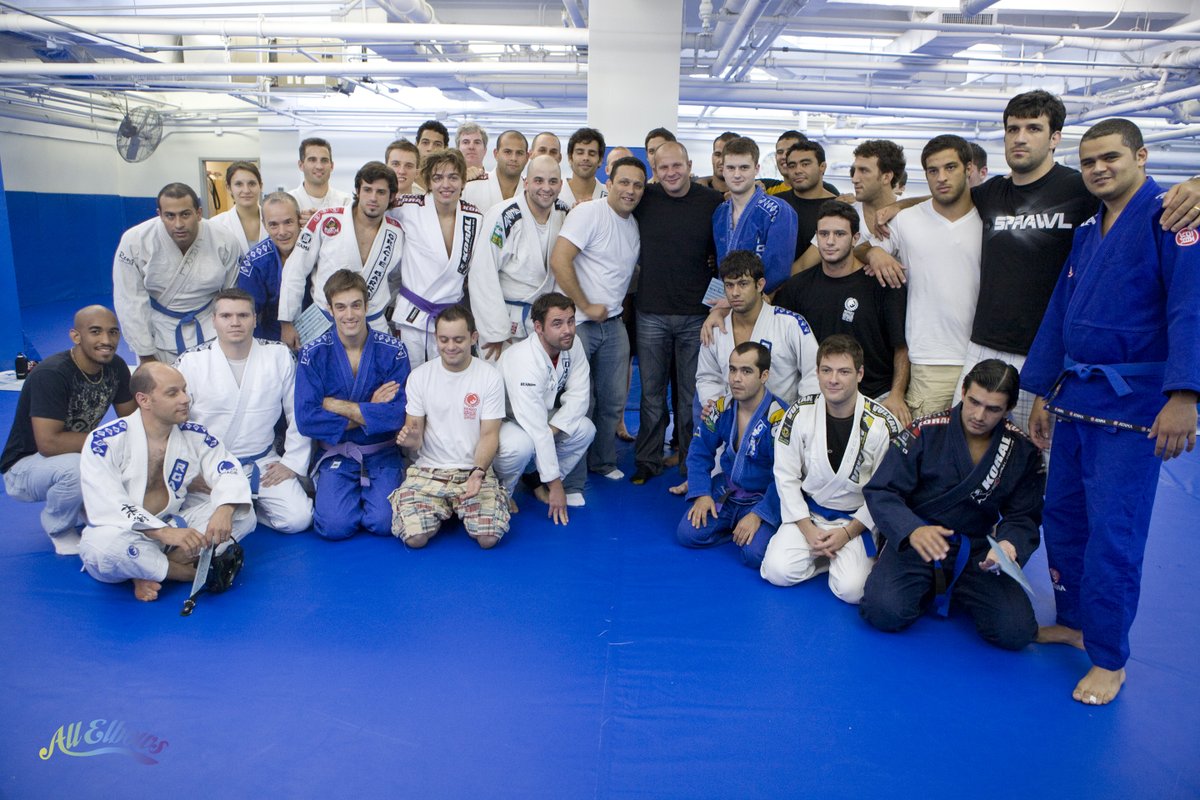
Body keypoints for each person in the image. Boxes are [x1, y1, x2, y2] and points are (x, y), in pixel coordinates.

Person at [1022, 118, 1200, 706]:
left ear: (1142, 157)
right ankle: (1074, 621)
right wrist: (1045, 388)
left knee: (1114, 536)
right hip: (1077, 399)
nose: (1098, 168)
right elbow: (1058, 312)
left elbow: (1189, 309)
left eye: (1110, 158)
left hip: (1136, 407)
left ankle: (1109, 657)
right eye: (1089, 160)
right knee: (1065, 521)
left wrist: (1184, 395)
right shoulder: (1087, 232)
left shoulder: (1173, 219)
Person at [859, 360, 1045, 651]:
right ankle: (938, 583)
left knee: (1016, 632)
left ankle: (952, 584)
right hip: (921, 540)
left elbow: (1023, 515)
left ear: (1008, 409)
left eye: (993, 409)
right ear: (963, 391)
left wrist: (1009, 545)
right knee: (883, 611)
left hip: (977, 550)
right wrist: (911, 530)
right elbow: (882, 490)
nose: (979, 415)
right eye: (974, 402)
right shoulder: (924, 431)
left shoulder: (1020, 451)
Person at [77, 362, 255, 602]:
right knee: (106, 549)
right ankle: (183, 573)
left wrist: (225, 508)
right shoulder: (105, 440)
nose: (185, 399)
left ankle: (147, 570)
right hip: (123, 532)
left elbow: (226, 469)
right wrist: (161, 533)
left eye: (184, 390)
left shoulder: (194, 433)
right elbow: (107, 501)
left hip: (172, 526)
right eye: (173, 393)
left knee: (243, 515)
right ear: (144, 400)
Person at [761, 335, 900, 602]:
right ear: (817, 372)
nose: (833, 379)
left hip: (854, 521)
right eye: (826, 370)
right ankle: (827, 558)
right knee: (777, 571)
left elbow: (887, 490)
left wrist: (848, 533)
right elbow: (785, 475)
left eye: (843, 371)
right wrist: (807, 528)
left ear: (859, 374)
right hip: (809, 516)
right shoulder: (799, 413)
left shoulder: (883, 424)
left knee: (853, 591)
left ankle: (835, 558)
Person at [174, 289, 313, 535]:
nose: (235, 322)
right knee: (205, 526)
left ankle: (248, 504)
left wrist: (291, 462)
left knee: (298, 519)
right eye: (226, 316)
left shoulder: (278, 355)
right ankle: (243, 503)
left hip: (260, 461)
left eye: (243, 315)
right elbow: (172, 421)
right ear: (214, 320)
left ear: (255, 319)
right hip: (209, 466)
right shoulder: (191, 362)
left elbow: (298, 411)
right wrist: (189, 471)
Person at [1, 306, 136, 555]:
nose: (106, 340)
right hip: (25, 467)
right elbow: (49, 443)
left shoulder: (115, 367)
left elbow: (132, 421)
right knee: (76, 468)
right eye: (95, 332)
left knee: (134, 450)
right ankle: (59, 528)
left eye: (113, 332)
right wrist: (111, 444)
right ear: (76, 336)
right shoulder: (52, 374)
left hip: (76, 452)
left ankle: (88, 506)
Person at [630, 141, 723, 486]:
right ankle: (647, 460)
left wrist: (713, 305)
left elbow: (723, 260)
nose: (670, 173)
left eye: (676, 166)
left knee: (690, 397)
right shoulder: (646, 200)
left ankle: (690, 462)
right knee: (651, 395)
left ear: (689, 164)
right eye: (662, 168)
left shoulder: (712, 203)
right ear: (655, 170)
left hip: (696, 316)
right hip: (651, 312)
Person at [868, 135, 980, 418]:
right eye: (933, 171)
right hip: (930, 358)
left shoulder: (989, 215)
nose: (942, 177)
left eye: (950, 168)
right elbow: (862, 245)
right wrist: (873, 254)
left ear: (968, 169)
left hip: (984, 354)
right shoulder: (907, 220)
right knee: (929, 451)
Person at [550, 155, 644, 484]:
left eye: (637, 185)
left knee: (614, 399)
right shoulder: (589, 213)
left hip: (614, 324)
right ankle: (570, 472)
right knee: (579, 400)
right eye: (624, 182)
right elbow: (559, 260)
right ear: (610, 182)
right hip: (579, 324)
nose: (630, 190)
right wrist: (585, 305)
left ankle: (602, 462)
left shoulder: (633, 226)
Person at [295, 270, 410, 540]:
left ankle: (374, 494)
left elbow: (397, 415)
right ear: (329, 309)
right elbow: (307, 419)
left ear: (367, 307)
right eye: (341, 307)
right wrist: (370, 409)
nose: (350, 315)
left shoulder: (393, 351)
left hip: (382, 453)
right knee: (335, 527)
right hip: (337, 453)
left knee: (385, 523)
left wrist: (338, 405)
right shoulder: (313, 354)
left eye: (356, 305)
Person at [773, 201, 911, 426]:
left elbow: (902, 347)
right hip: (817, 399)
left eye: (839, 234)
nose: (829, 241)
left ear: (855, 239)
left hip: (875, 398)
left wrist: (896, 394)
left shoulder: (882, 284)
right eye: (824, 234)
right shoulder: (797, 287)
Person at [389, 306, 509, 549]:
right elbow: (416, 438)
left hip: (472, 471)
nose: (450, 346)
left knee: (488, 539)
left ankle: (460, 508)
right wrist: (409, 438)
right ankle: (445, 509)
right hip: (429, 471)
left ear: (473, 338)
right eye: (444, 339)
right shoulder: (420, 376)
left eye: (458, 339)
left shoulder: (489, 377)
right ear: (436, 338)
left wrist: (478, 472)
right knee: (415, 539)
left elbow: (489, 435)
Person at [677, 342, 785, 568]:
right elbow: (699, 452)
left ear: (764, 375)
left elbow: (786, 476)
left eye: (746, 371)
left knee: (753, 556)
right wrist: (702, 493)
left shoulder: (779, 419)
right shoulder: (720, 407)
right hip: (727, 491)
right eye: (733, 369)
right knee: (687, 534)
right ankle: (734, 527)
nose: (736, 378)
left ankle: (751, 525)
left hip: (762, 499)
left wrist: (759, 515)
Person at [278, 161, 402, 348]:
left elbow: (395, 280)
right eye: (367, 190)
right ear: (358, 191)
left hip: (373, 323)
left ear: (391, 196)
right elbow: (295, 269)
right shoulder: (326, 220)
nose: (373, 198)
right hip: (323, 321)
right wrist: (287, 321)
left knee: (376, 377)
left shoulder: (396, 233)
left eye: (381, 192)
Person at [113, 182, 241, 363]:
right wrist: (145, 352)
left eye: (185, 214)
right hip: (159, 331)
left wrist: (230, 339)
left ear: (199, 213)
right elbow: (129, 300)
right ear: (159, 215)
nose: (179, 224)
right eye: (170, 216)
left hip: (209, 328)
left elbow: (231, 295)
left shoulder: (224, 239)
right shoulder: (135, 241)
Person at [494, 293, 596, 519]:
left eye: (571, 321)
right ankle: (501, 491)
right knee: (521, 446)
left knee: (585, 429)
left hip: (543, 417)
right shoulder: (523, 359)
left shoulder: (573, 343)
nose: (567, 330)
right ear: (538, 327)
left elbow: (579, 395)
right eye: (557, 323)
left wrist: (554, 429)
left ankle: (536, 479)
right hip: (507, 420)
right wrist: (557, 486)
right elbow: (536, 428)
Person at [388, 148, 483, 368]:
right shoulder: (407, 207)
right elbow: (368, 212)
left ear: (462, 182)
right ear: (429, 182)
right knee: (410, 381)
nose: (446, 185)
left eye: (453, 177)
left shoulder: (474, 217)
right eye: (438, 178)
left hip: (452, 320)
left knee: (450, 381)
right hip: (412, 316)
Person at [468, 154, 568, 359]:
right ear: (526, 182)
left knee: (542, 385)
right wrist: (494, 331)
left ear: (560, 184)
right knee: (501, 386)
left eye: (553, 181)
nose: (546, 188)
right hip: (506, 322)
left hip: (545, 321)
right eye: (538, 180)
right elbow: (482, 272)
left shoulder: (564, 212)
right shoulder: (504, 215)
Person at [696, 251, 818, 414]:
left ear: (760, 285)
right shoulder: (715, 330)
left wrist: (802, 416)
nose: (735, 293)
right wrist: (717, 410)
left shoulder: (790, 324)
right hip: (732, 424)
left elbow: (814, 373)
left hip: (784, 425)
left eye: (743, 284)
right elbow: (708, 377)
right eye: (729, 285)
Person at [712, 136, 798, 294]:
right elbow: (720, 265)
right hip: (725, 302)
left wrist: (739, 299)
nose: (737, 175)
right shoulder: (719, 212)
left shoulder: (778, 210)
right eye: (731, 168)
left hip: (762, 302)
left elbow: (778, 271)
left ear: (757, 169)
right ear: (722, 169)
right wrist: (718, 303)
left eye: (744, 167)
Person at [237, 191, 302, 341]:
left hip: (319, 329)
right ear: (264, 224)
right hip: (272, 336)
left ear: (299, 220)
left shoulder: (316, 249)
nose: (282, 232)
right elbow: (248, 312)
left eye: (288, 222)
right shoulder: (254, 262)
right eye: (273, 225)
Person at [775, 140, 836, 260]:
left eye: (805, 164)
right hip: (779, 278)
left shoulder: (838, 208)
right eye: (792, 166)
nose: (798, 170)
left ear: (822, 167)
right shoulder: (776, 204)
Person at [288, 137, 351, 225]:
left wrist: (319, 223)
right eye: (312, 160)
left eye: (324, 160)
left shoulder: (345, 202)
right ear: (301, 165)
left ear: (332, 166)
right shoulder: (288, 202)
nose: (319, 166)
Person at [462, 130, 529, 211]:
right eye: (507, 152)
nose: (513, 158)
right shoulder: (470, 188)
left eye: (519, 153)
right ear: (496, 154)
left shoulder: (532, 191)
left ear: (527, 157)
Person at [210, 161, 266, 255]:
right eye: (239, 184)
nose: (246, 190)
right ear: (228, 188)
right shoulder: (215, 224)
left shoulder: (275, 221)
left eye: (252, 184)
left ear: (260, 186)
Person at [559, 127, 608, 208]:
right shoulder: (555, 193)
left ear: (600, 160)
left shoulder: (609, 197)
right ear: (570, 158)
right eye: (580, 153)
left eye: (592, 154)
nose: (585, 158)